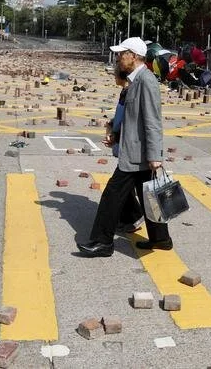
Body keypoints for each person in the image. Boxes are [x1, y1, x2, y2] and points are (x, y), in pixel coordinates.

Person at [77, 37, 169, 257]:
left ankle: (103, 243)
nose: (118, 57)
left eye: (122, 53)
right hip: (135, 151)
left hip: (138, 154)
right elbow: (132, 119)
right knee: (149, 198)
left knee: (111, 195)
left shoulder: (146, 81)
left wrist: (155, 155)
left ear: (134, 56)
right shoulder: (134, 80)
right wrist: (116, 136)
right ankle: (161, 239)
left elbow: (152, 121)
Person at [105, 63, 144, 233]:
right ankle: (132, 217)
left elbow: (125, 119)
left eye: (114, 74)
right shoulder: (124, 91)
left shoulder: (128, 92)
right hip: (124, 142)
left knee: (119, 185)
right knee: (127, 184)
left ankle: (134, 216)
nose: (113, 76)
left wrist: (114, 132)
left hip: (128, 145)